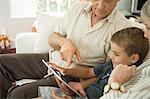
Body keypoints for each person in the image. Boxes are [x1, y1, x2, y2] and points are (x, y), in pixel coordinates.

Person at [0, 0, 142, 99]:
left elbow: (106, 72)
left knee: (16, 95)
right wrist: (64, 42)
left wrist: (80, 85)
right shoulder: (77, 9)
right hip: (52, 59)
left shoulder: (121, 28)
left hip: (73, 74)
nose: (99, 5)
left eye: (108, 1)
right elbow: (52, 38)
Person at [40, 27, 149, 99]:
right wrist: (65, 71)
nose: (111, 56)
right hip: (82, 94)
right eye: (111, 51)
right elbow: (89, 72)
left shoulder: (132, 79)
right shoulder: (112, 64)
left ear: (134, 58)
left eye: (116, 54)